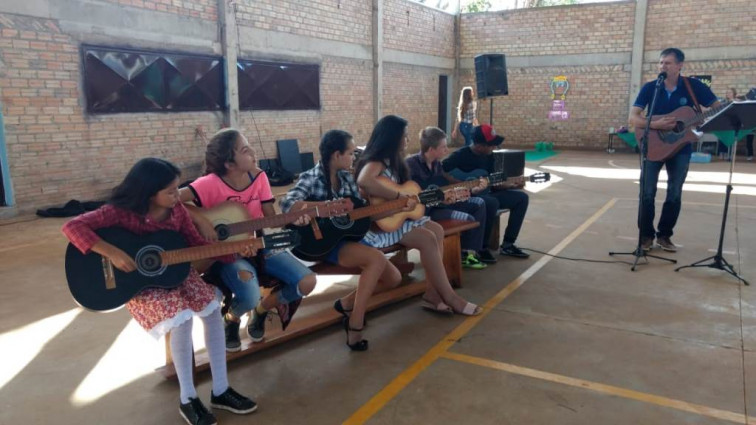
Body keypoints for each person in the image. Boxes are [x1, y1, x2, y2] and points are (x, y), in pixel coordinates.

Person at [62, 158, 257, 425]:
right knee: (182, 319)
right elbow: (72, 226)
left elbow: (197, 245)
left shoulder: (178, 212)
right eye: (171, 191)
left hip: (175, 272)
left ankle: (221, 389)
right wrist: (111, 252)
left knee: (212, 311)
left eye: (177, 189)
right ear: (148, 193)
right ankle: (188, 398)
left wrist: (233, 251)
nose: (178, 196)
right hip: (137, 283)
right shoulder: (120, 212)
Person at [180, 128, 317, 351]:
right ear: (229, 164)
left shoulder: (259, 176)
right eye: (245, 150)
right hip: (226, 252)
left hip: (258, 243)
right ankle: (232, 318)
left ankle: (262, 310)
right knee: (249, 294)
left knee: (307, 281)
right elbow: (171, 200)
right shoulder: (209, 183)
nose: (252, 152)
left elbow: (271, 219)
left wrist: (294, 219)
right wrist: (202, 220)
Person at [280, 129, 403, 351]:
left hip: (346, 239)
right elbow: (287, 206)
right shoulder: (311, 177)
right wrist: (321, 209)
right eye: (350, 153)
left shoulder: (347, 179)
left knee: (393, 278)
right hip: (322, 243)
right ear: (336, 155)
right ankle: (355, 324)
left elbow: (363, 215)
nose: (354, 157)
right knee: (375, 259)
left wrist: (399, 207)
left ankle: (345, 304)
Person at [355, 115, 482, 317]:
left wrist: (441, 198)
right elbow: (364, 181)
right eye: (404, 136)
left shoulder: (394, 161)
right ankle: (450, 297)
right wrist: (398, 196)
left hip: (396, 220)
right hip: (379, 225)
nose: (407, 140)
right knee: (428, 237)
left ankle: (432, 294)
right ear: (392, 137)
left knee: (437, 229)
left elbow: (413, 200)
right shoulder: (376, 160)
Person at [629, 48, 720, 251]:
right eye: (661, 63)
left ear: (680, 66)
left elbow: (716, 107)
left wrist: (703, 120)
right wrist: (655, 125)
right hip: (653, 145)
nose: (663, 66)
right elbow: (633, 118)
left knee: (674, 193)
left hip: (681, 148)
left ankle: (664, 236)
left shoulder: (693, 87)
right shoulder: (651, 87)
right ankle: (645, 236)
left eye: (668, 63)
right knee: (646, 192)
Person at [406, 126, 490, 269]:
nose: (447, 150)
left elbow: (446, 187)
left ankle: (469, 253)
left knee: (479, 203)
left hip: (442, 205)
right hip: (427, 212)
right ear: (431, 149)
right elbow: (410, 196)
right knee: (467, 219)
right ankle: (457, 256)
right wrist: (437, 198)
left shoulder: (437, 164)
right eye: (443, 147)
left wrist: (471, 189)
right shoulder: (410, 165)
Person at [442, 124, 531, 259]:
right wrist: (462, 184)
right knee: (491, 202)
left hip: (486, 192)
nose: (494, 147)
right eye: (491, 145)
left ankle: (508, 245)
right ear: (479, 146)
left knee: (522, 198)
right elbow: (441, 171)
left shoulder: (489, 156)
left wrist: (509, 185)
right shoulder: (460, 155)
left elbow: (493, 183)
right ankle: (481, 248)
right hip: (466, 197)